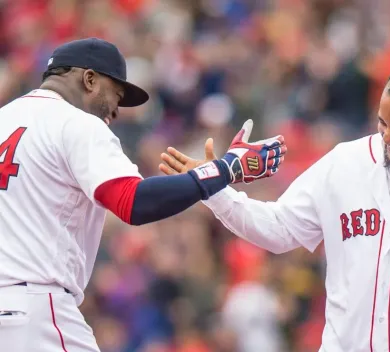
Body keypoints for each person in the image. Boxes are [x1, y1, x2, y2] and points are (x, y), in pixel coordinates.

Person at [159, 52, 390, 351]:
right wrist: (214, 188)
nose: (387, 137)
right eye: (382, 123)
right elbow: (279, 229)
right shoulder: (346, 162)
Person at [0, 37, 286, 351]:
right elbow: (133, 202)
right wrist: (226, 168)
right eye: (116, 95)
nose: (115, 111)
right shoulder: (76, 123)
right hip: (34, 308)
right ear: (89, 79)